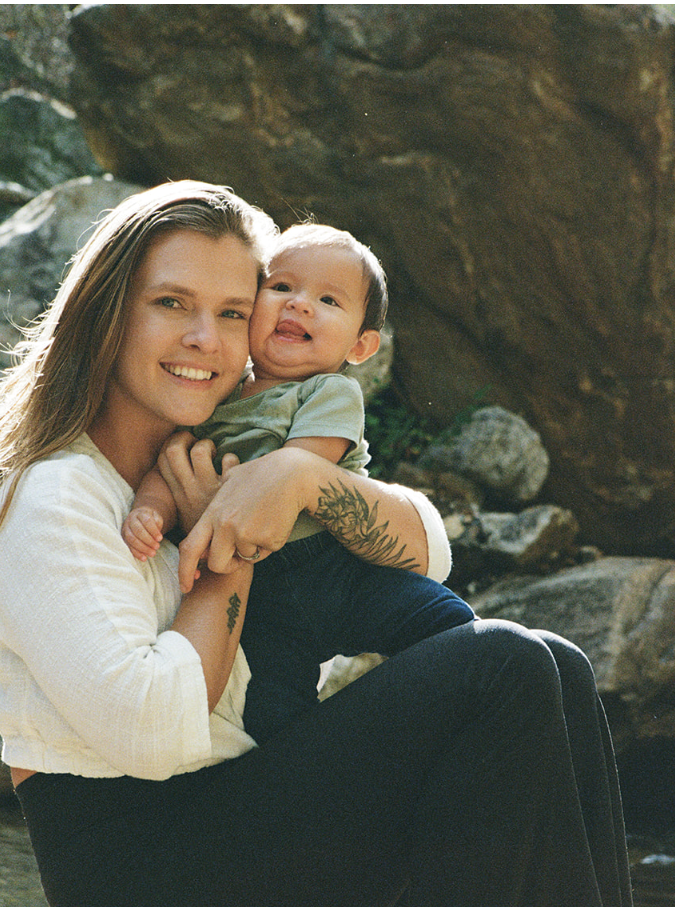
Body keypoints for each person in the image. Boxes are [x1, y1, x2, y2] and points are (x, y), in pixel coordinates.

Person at [0, 180, 675, 907]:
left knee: (549, 663)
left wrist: (298, 484)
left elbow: (428, 543)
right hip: (151, 894)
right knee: (500, 668)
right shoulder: (52, 495)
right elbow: (151, 736)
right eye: (171, 305)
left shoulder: (212, 445)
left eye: (233, 312)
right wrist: (224, 558)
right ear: (104, 311)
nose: (209, 338)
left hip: (232, 846)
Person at [122, 222, 475, 741]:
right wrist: (150, 511)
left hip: (334, 566)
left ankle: (451, 726)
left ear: (360, 346)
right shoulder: (213, 395)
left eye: (328, 300)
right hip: (263, 599)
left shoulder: (328, 392)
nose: (300, 305)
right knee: (273, 719)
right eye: (282, 287)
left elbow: (293, 475)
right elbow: (170, 469)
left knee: (449, 625)